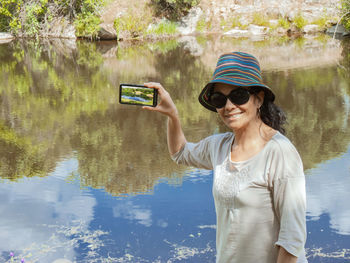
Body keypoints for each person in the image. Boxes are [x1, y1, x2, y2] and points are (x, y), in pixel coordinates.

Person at [143, 51, 307, 263]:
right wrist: (172, 114)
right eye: (220, 99)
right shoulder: (219, 146)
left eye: (238, 96)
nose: (229, 106)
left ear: (259, 99)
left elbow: (292, 241)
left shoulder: (280, 153)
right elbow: (180, 153)